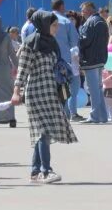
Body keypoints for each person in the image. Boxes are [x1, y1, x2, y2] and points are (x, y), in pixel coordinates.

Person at [12, 10, 77, 183]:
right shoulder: (30, 44)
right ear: (44, 24)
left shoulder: (52, 42)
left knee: (45, 133)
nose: (56, 28)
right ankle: (46, 171)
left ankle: (35, 172)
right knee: (43, 131)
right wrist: (16, 91)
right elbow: (22, 70)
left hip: (51, 92)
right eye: (53, 25)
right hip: (35, 93)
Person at [79, 1, 110, 124]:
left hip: (90, 60)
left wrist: (78, 41)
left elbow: (84, 41)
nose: (82, 12)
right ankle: (102, 115)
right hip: (100, 59)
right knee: (97, 88)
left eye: (83, 10)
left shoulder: (90, 22)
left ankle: (95, 116)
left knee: (93, 90)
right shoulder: (101, 21)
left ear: (89, 10)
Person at [51, 0, 80, 120]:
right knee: (73, 85)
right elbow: (74, 42)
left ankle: (57, 113)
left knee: (53, 87)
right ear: (62, 6)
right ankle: (70, 112)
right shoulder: (66, 22)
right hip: (66, 59)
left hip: (49, 59)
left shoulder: (44, 20)